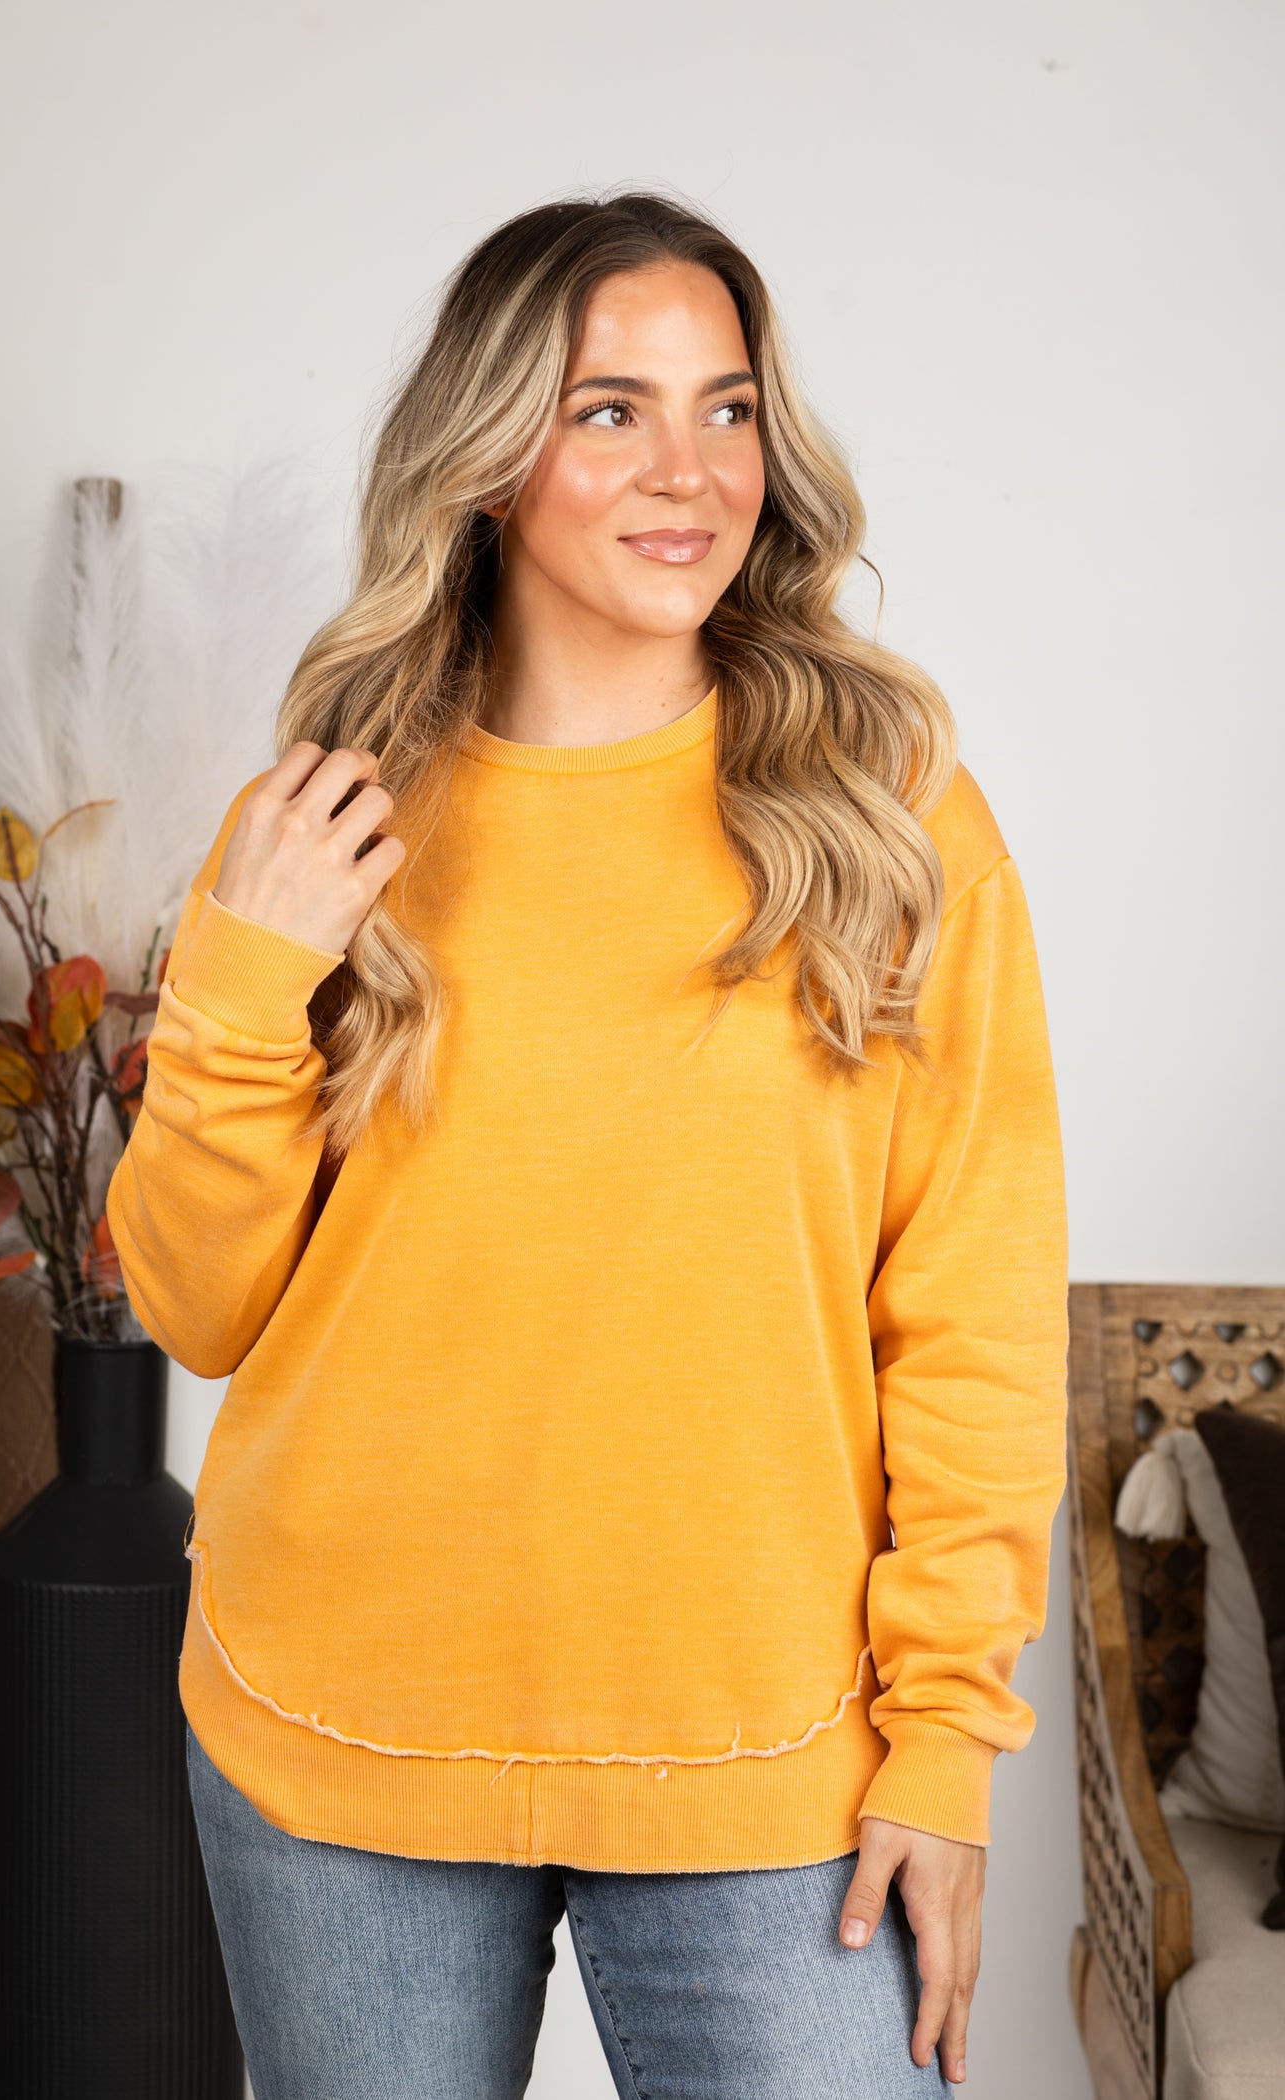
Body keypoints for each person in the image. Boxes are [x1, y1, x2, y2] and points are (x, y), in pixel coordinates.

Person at [105, 188, 1069, 2099]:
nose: (689, 470)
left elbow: (973, 1312)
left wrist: (946, 1738)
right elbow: (197, 1311)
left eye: (728, 408)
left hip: (768, 1745)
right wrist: (242, 976)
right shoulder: (324, 823)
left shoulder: (889, 818)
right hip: (341, 1718)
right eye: (609, 409)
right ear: (485, 458)